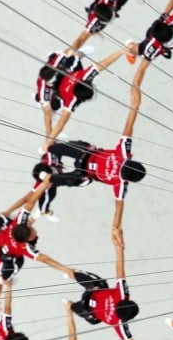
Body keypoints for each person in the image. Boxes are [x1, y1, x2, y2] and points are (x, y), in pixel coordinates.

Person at [46, 78, 146, 233]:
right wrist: (115, 228)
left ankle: (51, 164)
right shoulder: (120, 184)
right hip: (84, 164)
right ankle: (50, 177)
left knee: (54, 151)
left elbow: (128, 127)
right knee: (53, 174)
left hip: (83, 163)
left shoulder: (123, 153)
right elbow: (118, 208)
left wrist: (135, 106)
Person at [0, 190, 75, 283]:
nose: (34, 232)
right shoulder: (6, 254)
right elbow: (45, 258)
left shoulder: (19, 236)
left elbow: (45, 258)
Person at [43, 45, 135, 149]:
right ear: (81, 99)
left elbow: (104, 63)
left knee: (75, 59)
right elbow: (61, 123)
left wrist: (121, 52)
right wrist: (48, 142)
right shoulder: (71, 100)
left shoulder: (85, 76)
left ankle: (74, 55)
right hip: (57, 85)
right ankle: (58, 56)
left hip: (69, 75)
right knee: (52, 109)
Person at [68, 229, 141, 340]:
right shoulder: (119, 324)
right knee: (77, 307)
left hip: (90, 300)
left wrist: (119, 248)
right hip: (91, 296)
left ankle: (70, 296)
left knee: (77, 301)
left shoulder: (122, 294)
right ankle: (69, 302)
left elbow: (119, 269)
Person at [70, 0, 138, 50]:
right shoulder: (94, 23)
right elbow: (80, 39)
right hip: (96, 16)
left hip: (112, 6)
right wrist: (72, 52)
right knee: (89, 34)